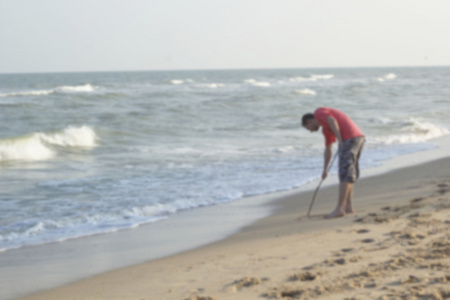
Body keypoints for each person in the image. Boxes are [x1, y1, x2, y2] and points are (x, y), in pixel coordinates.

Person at [302, 107, 365, 219]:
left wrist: (340, 140)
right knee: (349, 172)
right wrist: (325, 169)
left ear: (309, 121)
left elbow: (332, 120)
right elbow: (328, 149)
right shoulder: (326, 129)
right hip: (358, 138)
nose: (311, 131)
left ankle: (339, 209)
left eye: (308, 128)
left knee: (345, 173)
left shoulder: (318, 113)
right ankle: (348, 206)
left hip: (350, 139)